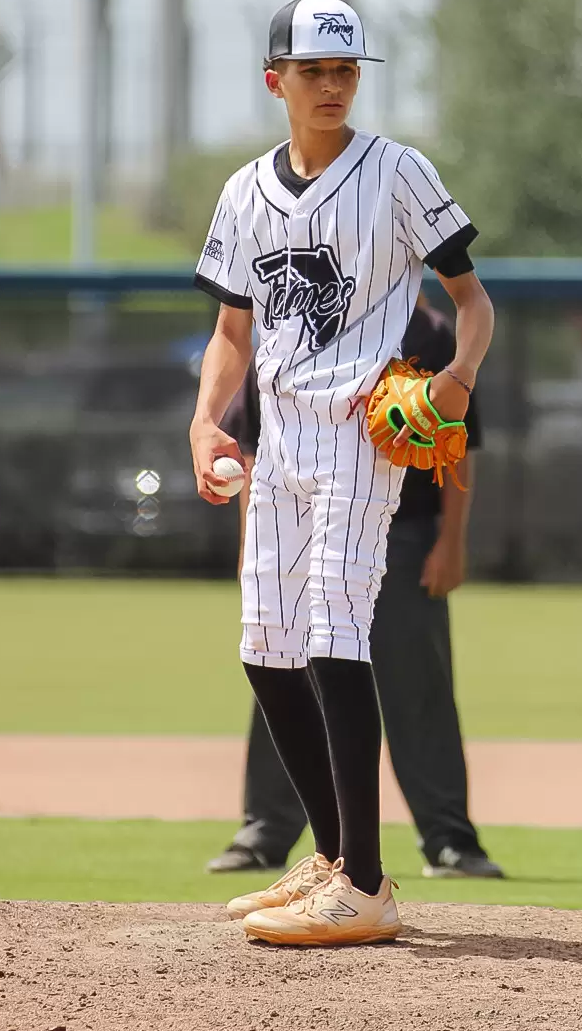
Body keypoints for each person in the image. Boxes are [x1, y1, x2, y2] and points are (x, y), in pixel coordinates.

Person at [189, 0, 495, 946]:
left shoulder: (397, 172)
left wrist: (455, 379)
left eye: (346, 69)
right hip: (276, 439)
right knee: (265, 648)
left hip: (361, 432)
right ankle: (332, 860)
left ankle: (364, 883)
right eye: (313, 70)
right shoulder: (246, 191)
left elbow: (473, 301)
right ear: (275, 80)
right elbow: (231, 331)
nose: (332, 84)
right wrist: (204, 425)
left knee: (333, 636)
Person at [206, 292, 504, 883]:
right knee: (284, 668)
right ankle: (266, 830)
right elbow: (255, 444)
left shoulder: (431, 332)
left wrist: (451, 541)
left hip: (406, 534)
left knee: (416, 682)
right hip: (302, 522)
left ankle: (448, 837)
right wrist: (250, 543)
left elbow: (457, 444)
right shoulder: (298, 320)